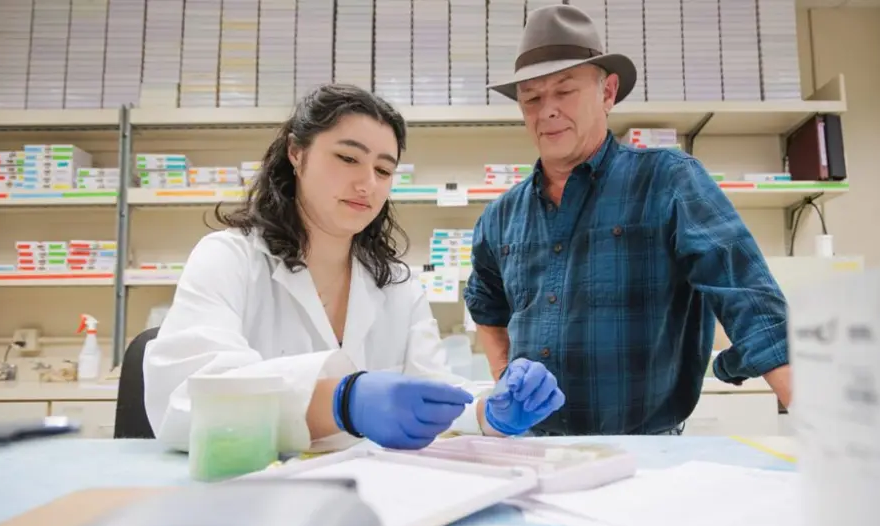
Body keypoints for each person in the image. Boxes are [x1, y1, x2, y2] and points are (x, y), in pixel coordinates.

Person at [143, 84, 565, 453]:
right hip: (252, 495)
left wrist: (489, 410)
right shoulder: (228, 258)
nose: (368, 184)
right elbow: (186, 401)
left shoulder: (396, 284)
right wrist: (340, 402)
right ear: (296, 152)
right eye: (348, 158)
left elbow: (433, 392)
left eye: (383, 169)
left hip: (368, 495)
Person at [464, 5, 792, 436]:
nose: (547, 111)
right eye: (532, 98)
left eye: (564, 91)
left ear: (608, 92)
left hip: (645, 454)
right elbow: (487, 307)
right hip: (533, 450)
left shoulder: (668, 180)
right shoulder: (501, 215)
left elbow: (747, 296)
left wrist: (825, 428)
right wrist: (508, 381)